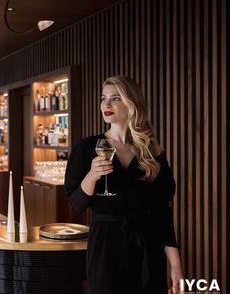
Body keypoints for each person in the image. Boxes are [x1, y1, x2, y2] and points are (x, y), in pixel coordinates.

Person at [65, 76, 183, 294]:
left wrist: (175, 264)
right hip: (106, 247)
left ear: (132, 104)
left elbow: (161, 212)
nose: (106, 105)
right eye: (103, 98)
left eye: (115, 98)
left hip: (148, 246)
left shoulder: (151, 152)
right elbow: (76, 204)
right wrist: (92, 176)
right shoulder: (86, 147)